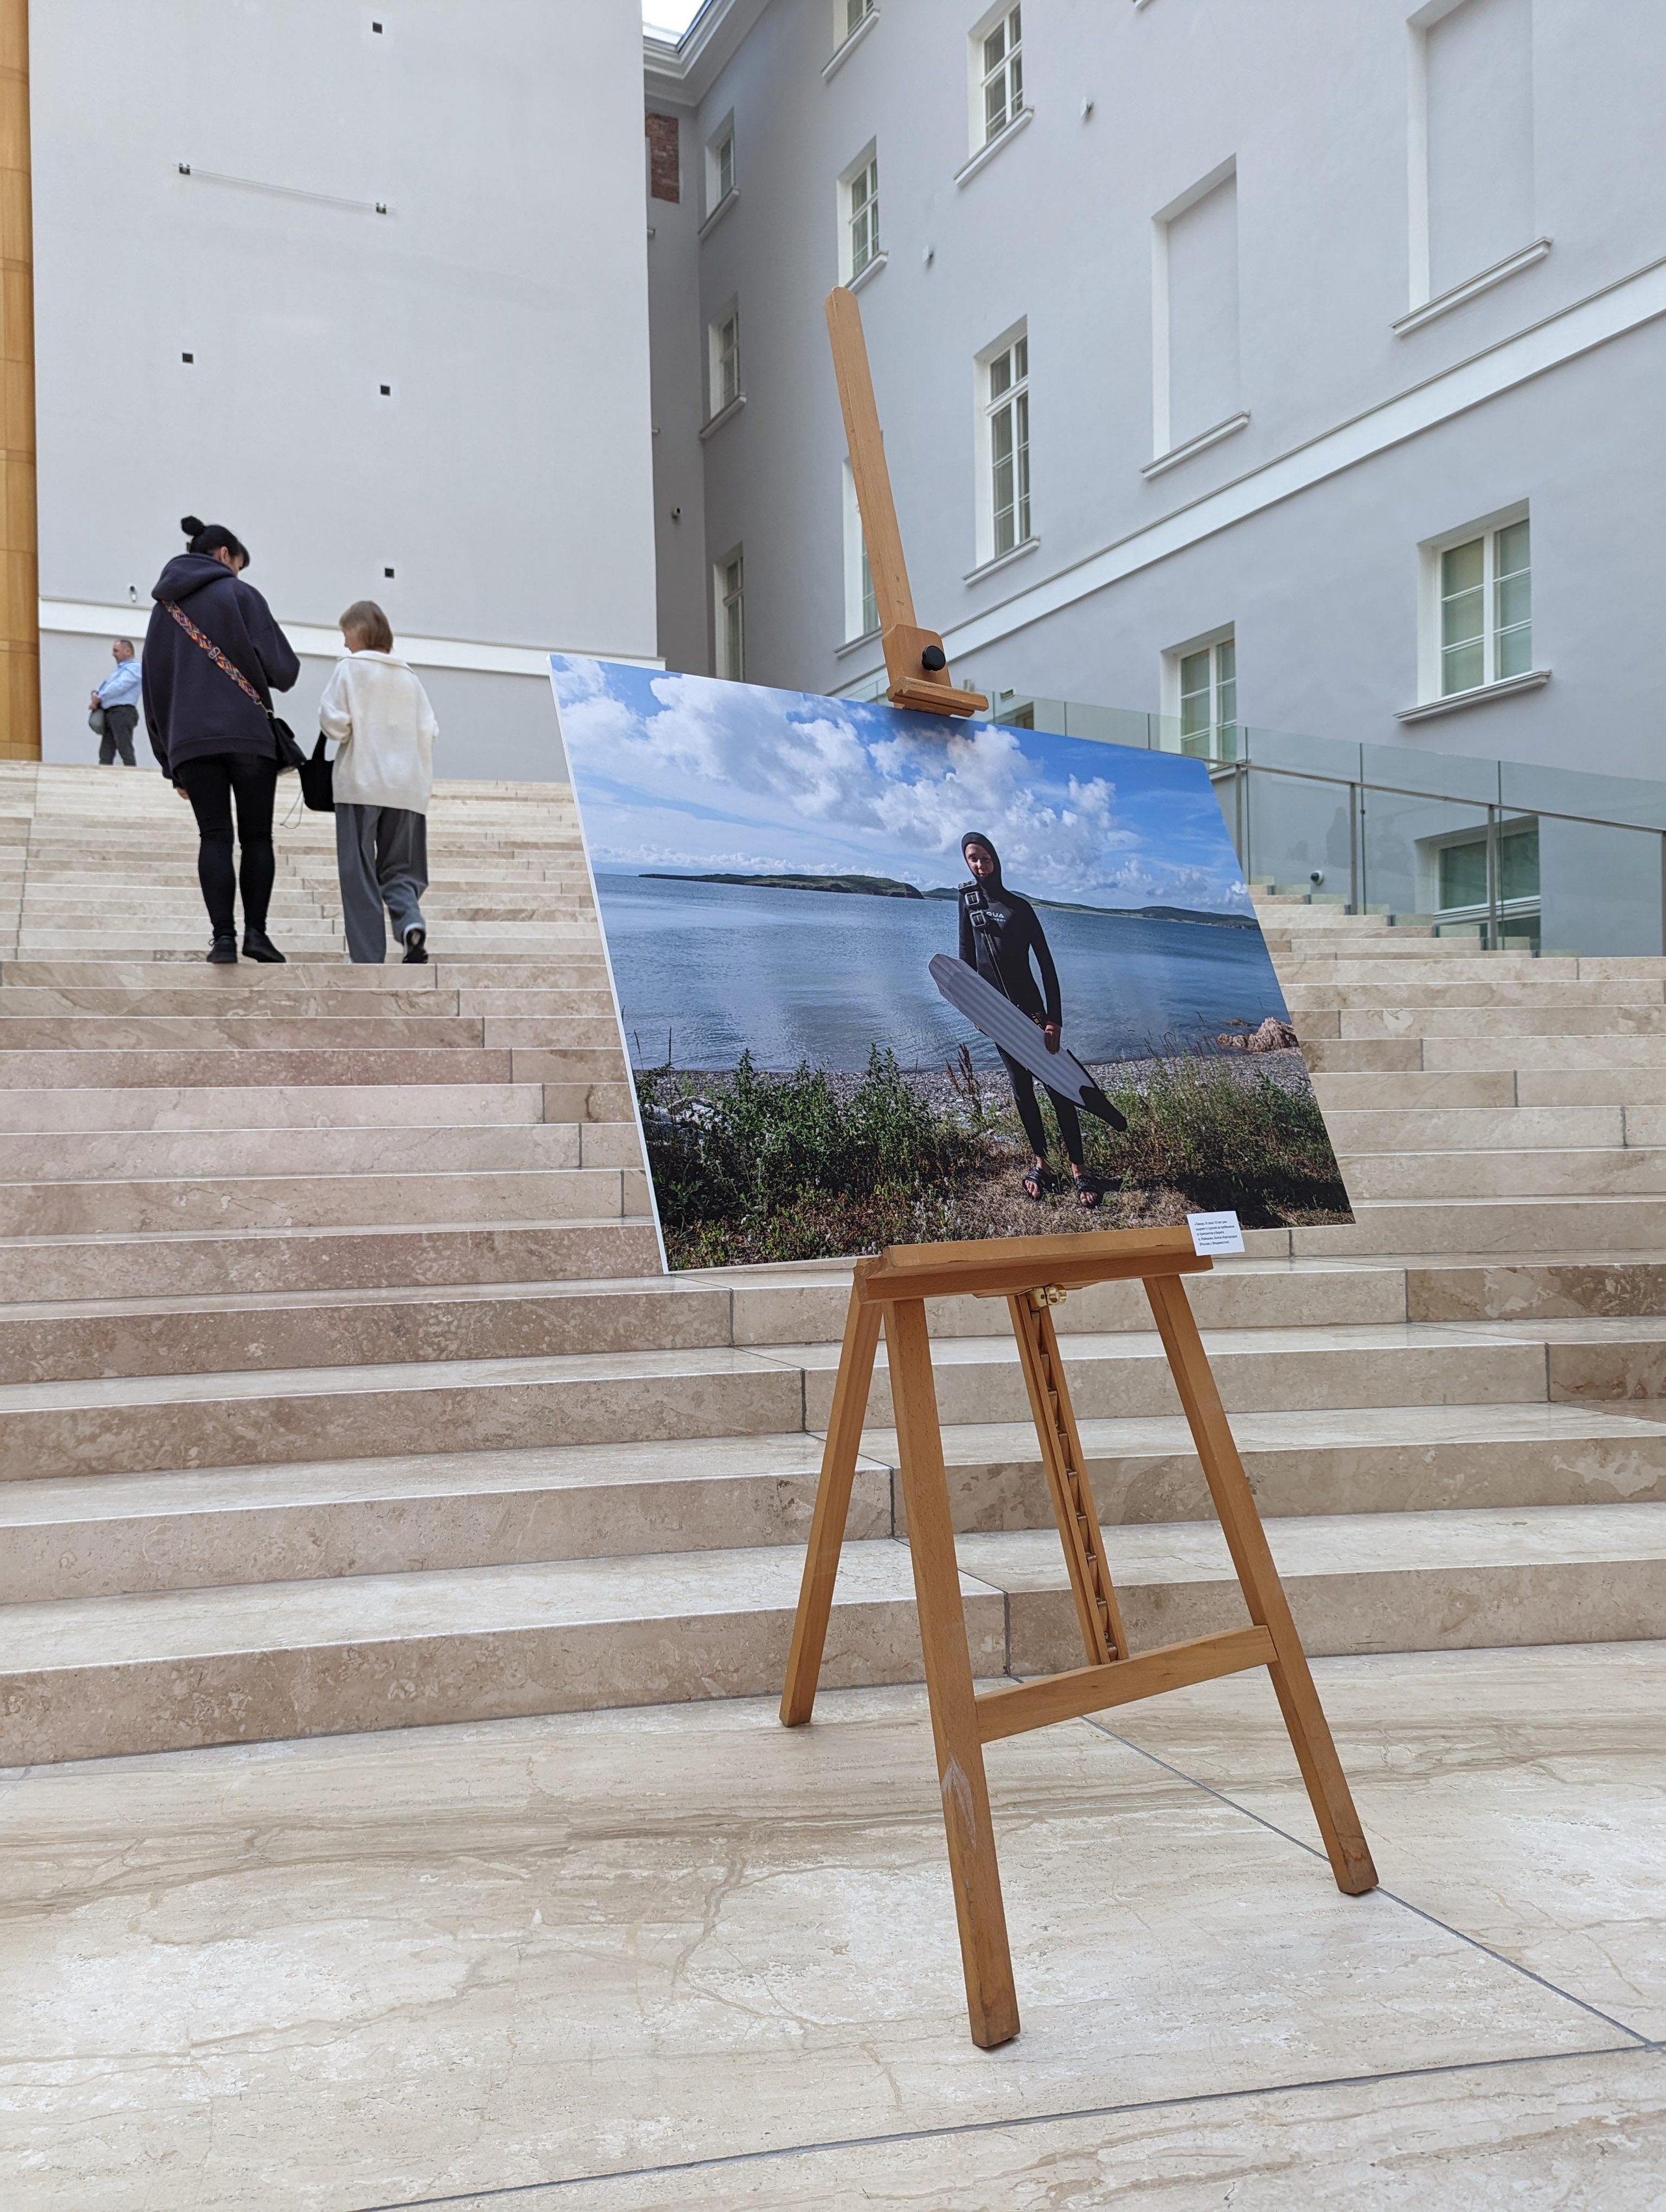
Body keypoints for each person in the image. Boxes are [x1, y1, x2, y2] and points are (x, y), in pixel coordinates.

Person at [142, 515, 300, 964]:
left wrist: (167, 759)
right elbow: (285, 672)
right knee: (256, 838)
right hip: (249, 736)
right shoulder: (240, 594)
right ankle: (257, 934)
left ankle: (223, 939)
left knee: (214, 837)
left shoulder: (163, 610)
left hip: (190, 743)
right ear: (225, 555)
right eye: (239, 564)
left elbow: (152, 687)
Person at [957, 830, 1100, 1209]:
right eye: (972, 858)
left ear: (996, 859)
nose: (979, 865)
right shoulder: (967, 902)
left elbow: (1047, 967)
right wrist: (975, 1010)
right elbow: (965, 962)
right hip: (998, 1016)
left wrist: (1054, 1020)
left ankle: (1079, 1169)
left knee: (1059, 1089)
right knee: (1021, 1088)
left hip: (1033, 1013)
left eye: (984, 857)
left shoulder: (1020, 908)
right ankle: (1041, 1164)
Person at [318, 600, 439, 964]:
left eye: (345, 634)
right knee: (401, 869)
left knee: (358, 871)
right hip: (408, 789)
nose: (344, 644)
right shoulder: (410, 677)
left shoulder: (349, 670)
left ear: (359, 631)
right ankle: (409, 924)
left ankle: (369, 957)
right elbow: (431, 731)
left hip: (361, 783)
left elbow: (335, 724)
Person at [90, 640, 141, 764]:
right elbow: (109, 686)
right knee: (106, 753)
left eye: (116, 651)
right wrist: (95, 693)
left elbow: (120, 686)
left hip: (123, 712)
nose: (114, 654)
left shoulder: (134, 668)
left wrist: (100, 696)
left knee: (125, 749)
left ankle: (132, 778)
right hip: (112, 713)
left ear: (128, 651)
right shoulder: (119, 671)